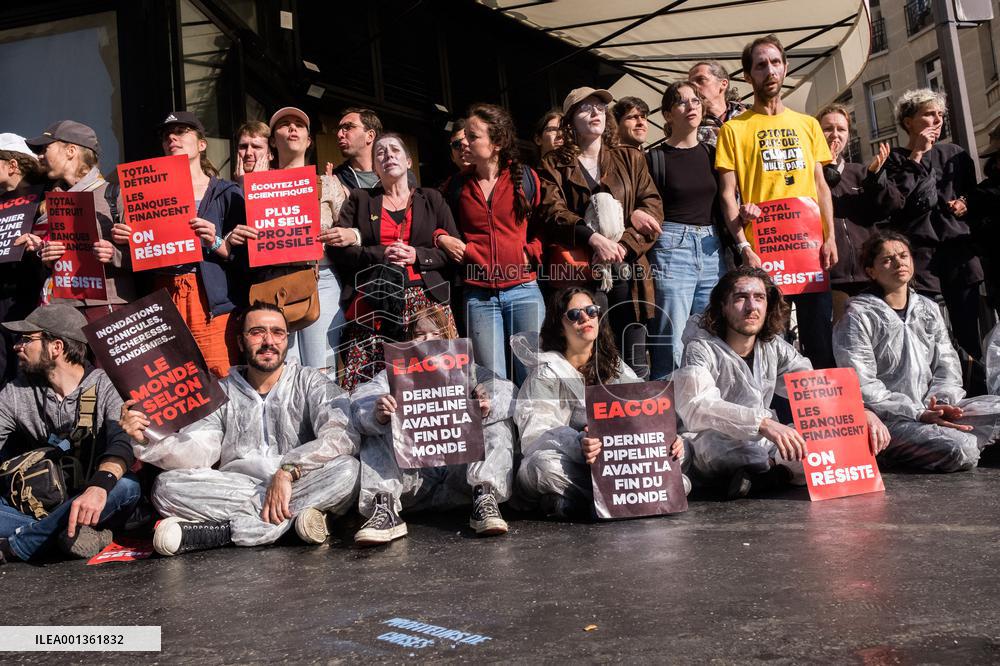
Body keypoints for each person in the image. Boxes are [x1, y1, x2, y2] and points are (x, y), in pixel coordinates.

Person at [120, 302, 360, 556]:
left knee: (348, 471)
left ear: (287, 340)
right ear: (240, 341)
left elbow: (341, 434)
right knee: (166, 486)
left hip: (297, 481)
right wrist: (148, 439)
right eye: (257, 332)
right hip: (238, 487)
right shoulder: (222, 391)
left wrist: (288, 471)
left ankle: (222, 533)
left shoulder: (309, 381)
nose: (269, 341)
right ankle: (289, 526)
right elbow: (200, 450)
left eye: (278, 333)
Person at [674, 267, 889, 498]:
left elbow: (813, 386)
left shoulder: (773, 346)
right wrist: (763, 424)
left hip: (762, 442)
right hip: (711, 442)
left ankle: (763, 478)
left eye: (759, 298)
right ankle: (774, 473)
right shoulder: (701, 348)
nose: (752, 307)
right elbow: (697, 406)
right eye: (741, 298)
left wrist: (859, 411)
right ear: (723, 306)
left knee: (824, 441)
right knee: (719, 450)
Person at [715, 34, 837, 370]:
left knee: (819, 339)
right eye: (760, 65)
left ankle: (821, 401)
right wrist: (743, 245)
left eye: (775, 63)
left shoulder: (808, 125)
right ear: (747, 75)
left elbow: (821, 186)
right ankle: (773, 404)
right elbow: (727, 194)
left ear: (785, 68)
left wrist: (830, 237)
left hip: (810, 251)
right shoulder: (733, 130)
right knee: (770, 344)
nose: (769, 71)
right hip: (764, 254)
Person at [833, 232, 1000, 472]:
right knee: (961, 449)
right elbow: (862, 384)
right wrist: (918, 413)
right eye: (887, 259)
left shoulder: (928, 308)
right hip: (890, 420)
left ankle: (948, 436)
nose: (898, 263)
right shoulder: (858, 316)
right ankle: (891, 451)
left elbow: (947, 364)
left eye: (903, 256)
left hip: (934, 409)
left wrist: (941, 403)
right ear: (871, 271)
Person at [513, 287, 684, 519]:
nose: (585, 318)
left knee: (681, 460)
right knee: (541, 467)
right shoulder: (546, 373)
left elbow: (644, 409)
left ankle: (578, 501)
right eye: (574, 314)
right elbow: (535, 435)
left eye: (591, 311)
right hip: (570, 462)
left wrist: (666, 438)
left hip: (616, 465)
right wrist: (579, 442)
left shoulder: (612, 364)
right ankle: (617, 498)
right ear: (559, 326)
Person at [350, 305, 515, 545]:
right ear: (410, 340)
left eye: (436, 334)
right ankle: (384, 507)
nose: (428, 340)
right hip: (414, 480)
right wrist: (377, 413)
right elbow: (359, 403)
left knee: (496, 421)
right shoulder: (391, 376)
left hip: (461, 479)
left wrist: (487, 402)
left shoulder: (471, 371)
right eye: (420, 335)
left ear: (448, 337)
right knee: (377, 425)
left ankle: (485, 497)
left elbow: (508, 391)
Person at [538, 87, 663, 378]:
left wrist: (623, 246)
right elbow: (552, 212)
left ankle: (638, 408)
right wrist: (594, 239)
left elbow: (653, 207)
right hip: (582, 274)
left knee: (635, 362)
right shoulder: (553, 163)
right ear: (570, 120)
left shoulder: (630, 158)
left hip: (628, 271)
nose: (596, 112)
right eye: (586, 108)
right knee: (590, 363)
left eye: (600, 107)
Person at [0, 304, 140, 563]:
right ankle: (59, 536)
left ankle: (16, 546)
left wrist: (98, 488)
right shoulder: (16, 392)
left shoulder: (106, 384)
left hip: (95, 500)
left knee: (127, 486)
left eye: (26, 339)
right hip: (39, 505)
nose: (17, 346)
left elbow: (122, 442)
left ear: (56, 347)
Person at [111, 111, 246, 378]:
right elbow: (143, 256)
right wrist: (129, 240)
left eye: (182, 132)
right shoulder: (146, 193)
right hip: (163, 291)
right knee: (173, 378)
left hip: (209, 300)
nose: (172, 138)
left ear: (202, 144)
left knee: (220, 376)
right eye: (166, 135)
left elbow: (244, 257)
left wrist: (215, 241)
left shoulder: (227, 193)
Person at [329, 133, 460, 391]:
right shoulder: (360, 199)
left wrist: (418, 255)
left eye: (395, 150)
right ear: (375, 167)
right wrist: (381, 253)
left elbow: (454, 251)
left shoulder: (432, 198)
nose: (388, 155)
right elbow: (339, 251)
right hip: (375, 302)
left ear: (409, 161)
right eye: (380, 153)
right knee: (369, 384)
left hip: (426, 302)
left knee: (435, 382)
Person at [227, 107, 348, 372]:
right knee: (282, 370)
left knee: (322, 369)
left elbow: (350, 232)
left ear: (309, 140)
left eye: (299, 125)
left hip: (321, 280)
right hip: (274, 282)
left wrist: (348, 235)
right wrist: (247, 190)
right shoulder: (256, 186)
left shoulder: (328, 184)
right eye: (284, 124)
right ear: (272, 141)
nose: (292, 128)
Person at [437, 103, 546, 385]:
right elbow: (435, 221)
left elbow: (545, 225)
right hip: (479, 296)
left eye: (473, 136)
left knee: (532, 378)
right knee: (492, 383)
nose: (465, 142)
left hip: (524, 291)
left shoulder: (526, 179)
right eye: (464, 137)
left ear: (496, 143)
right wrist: (442, 237)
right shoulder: (455, 186)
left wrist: (531, 251)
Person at [883, 89, 984, 359]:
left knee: (968, 333)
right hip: (920, 256)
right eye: (929, 114)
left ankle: (973, 378)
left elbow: (974, 194)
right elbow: (896, 202)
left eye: (940, 114)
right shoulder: (894, 159)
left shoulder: (954, 154)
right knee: (928, 333)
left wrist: (964, 201)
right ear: (908, 122)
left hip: (959, 254)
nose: (938, 120)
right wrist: (917, 154)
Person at [645, 81, 725, 379]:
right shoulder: (654, 158)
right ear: (668, 114)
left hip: (712, 247)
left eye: (695, 100)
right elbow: (641, 201)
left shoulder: (713, 154)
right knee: (672, 336)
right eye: (681, 102)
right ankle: (666, 401)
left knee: (710, 334)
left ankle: (707, 398)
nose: (691, 106)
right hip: (672, 247)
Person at [28, 120, 136, 322]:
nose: (39, 156)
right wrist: (44, 255)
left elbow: (149, 257)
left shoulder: (115, 195)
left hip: (108, 307)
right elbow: (48, 266)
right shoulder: (47, 203)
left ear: (71, 151)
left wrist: (114, 254)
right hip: (61, 309)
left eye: (45, 148)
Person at [815, 104, 902, 321]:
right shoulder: (808, 175)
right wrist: (824, 169)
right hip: (832, 276)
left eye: (841, 129)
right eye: (828, 129)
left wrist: (875, 178)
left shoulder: (861, 172)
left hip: (869, 274)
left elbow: (892, 205)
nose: (835, 134)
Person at [0, 134, 48, 384]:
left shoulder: (45, 200)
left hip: (31, 297)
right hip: (2, 297)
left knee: (28, 371)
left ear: (12, 165)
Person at [688, 60, 747, 147]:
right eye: (690, 84)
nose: (693, 87)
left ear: (723, 84)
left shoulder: (750, 115)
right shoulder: (689, 126)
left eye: (701, 80)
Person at [332, 107, 383, 191]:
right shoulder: (335, 179)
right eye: (339, 129)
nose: (339, 134)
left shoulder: (394, 177)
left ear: (370, 136)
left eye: (348, 127)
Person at [232, 120, 272, 185]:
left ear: (270, 154)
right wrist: (242, 183)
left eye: (256, 147)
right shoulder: (225, 188)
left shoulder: (283, 184)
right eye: (243, 147)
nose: (248, 153)